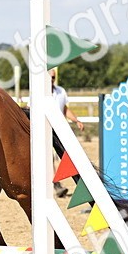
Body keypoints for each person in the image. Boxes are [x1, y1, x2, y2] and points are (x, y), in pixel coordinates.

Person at [51, 67, 86, 197]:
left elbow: (65, 109)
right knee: (50, 159)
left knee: (68, 157)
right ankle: (57, 184)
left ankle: (79, 183)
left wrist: (76, 120)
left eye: (53, 77)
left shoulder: (61, 91)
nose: (51, 80)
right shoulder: (39, 93)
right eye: (50, 77)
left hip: (60, 130)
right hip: (46, 131)